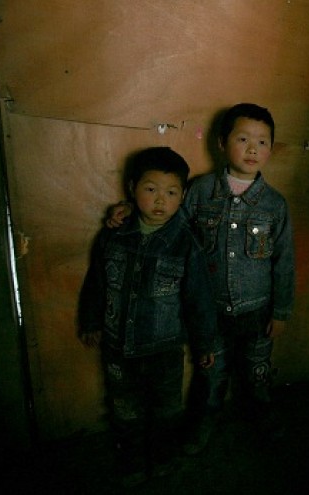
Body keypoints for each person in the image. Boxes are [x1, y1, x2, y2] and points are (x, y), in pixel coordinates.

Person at [106, 103, 295, 454]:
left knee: (257, 372)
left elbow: (284, 263)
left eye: (263, 142)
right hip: (212, 314)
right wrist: (130, 208)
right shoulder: (200, 190)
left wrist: (281, 311)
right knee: (210, 376)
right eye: (243, 138)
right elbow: (166, 215)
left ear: (271, 148)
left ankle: (262, 413)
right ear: (222, 143)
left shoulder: (275, 205)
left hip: (257, 311)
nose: (253, 149)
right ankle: (204, 422)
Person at [78, 147, 218, 486]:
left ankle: (163, 457)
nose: (160, 200)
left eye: (171, 192)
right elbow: (97, 280)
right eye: (150, 189)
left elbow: (199, 298)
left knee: (166, 411)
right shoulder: (114, 233)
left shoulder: (185, 243)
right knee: (124, 410)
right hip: (117, 348)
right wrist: (91, 321)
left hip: (164, 351)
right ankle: (131, 461)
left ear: (182, 196)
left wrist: (204, 344)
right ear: (131, 188)